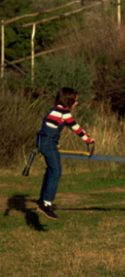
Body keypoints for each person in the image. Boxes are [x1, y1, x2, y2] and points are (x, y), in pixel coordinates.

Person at [35, 87, 95, 220]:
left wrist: (54, 143)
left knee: (51, 170)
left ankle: (42, 201)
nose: (77, 103)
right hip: (47, 143)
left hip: (44, 142)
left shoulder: (55, 109)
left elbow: (50, 128)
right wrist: (88, 139)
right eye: (76, 100)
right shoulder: (63, 112)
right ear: (69, 100)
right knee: (56, 171)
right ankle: (46, 205)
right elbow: (75, 127)